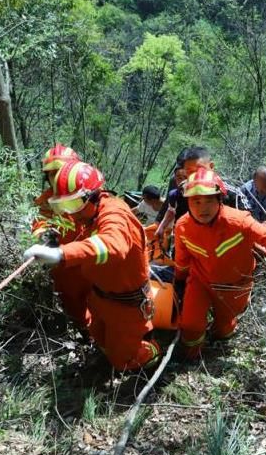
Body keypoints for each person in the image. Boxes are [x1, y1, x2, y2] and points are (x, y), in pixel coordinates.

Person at [23, 161, 161, 371]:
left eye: (73, 205)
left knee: (122, 361)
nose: (72, 214)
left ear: (93, 195)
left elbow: (112, 245)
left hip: (127, 306)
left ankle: (151, 350)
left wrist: (61, 253)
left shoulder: (114, 214)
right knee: (99, 339)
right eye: (64, 207)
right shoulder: (90, 214)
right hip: (100, 298)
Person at [173, 168, 266, 360]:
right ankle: (190, 357)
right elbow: (182, 260)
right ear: (188, 202)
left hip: (235, 286)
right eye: (196, 201)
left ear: (219, 200)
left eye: (208, 201)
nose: (202, 208)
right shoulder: (182, 227)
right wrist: (179, 281)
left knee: (224, 329)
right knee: (191, 324)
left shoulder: (238, 221)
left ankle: (218, 336)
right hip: (201, 282)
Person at [29, 144, 91, 329]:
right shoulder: (46, 200)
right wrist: (43, 235)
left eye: (60, 171)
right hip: (64, 262)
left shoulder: (89, 193)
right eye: (51, 173)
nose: (55, 177)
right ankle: (84, 330)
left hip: (90, 254)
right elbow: (40, 221)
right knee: (72, 300)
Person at [154, 146, 251, 239]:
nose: (197, 175)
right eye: (190, 172)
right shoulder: (181, 191)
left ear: (211, 167)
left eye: (200, 169)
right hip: (190, 246)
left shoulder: (229, 193)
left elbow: (247, 223)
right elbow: (171, 209)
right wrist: (161, 227)